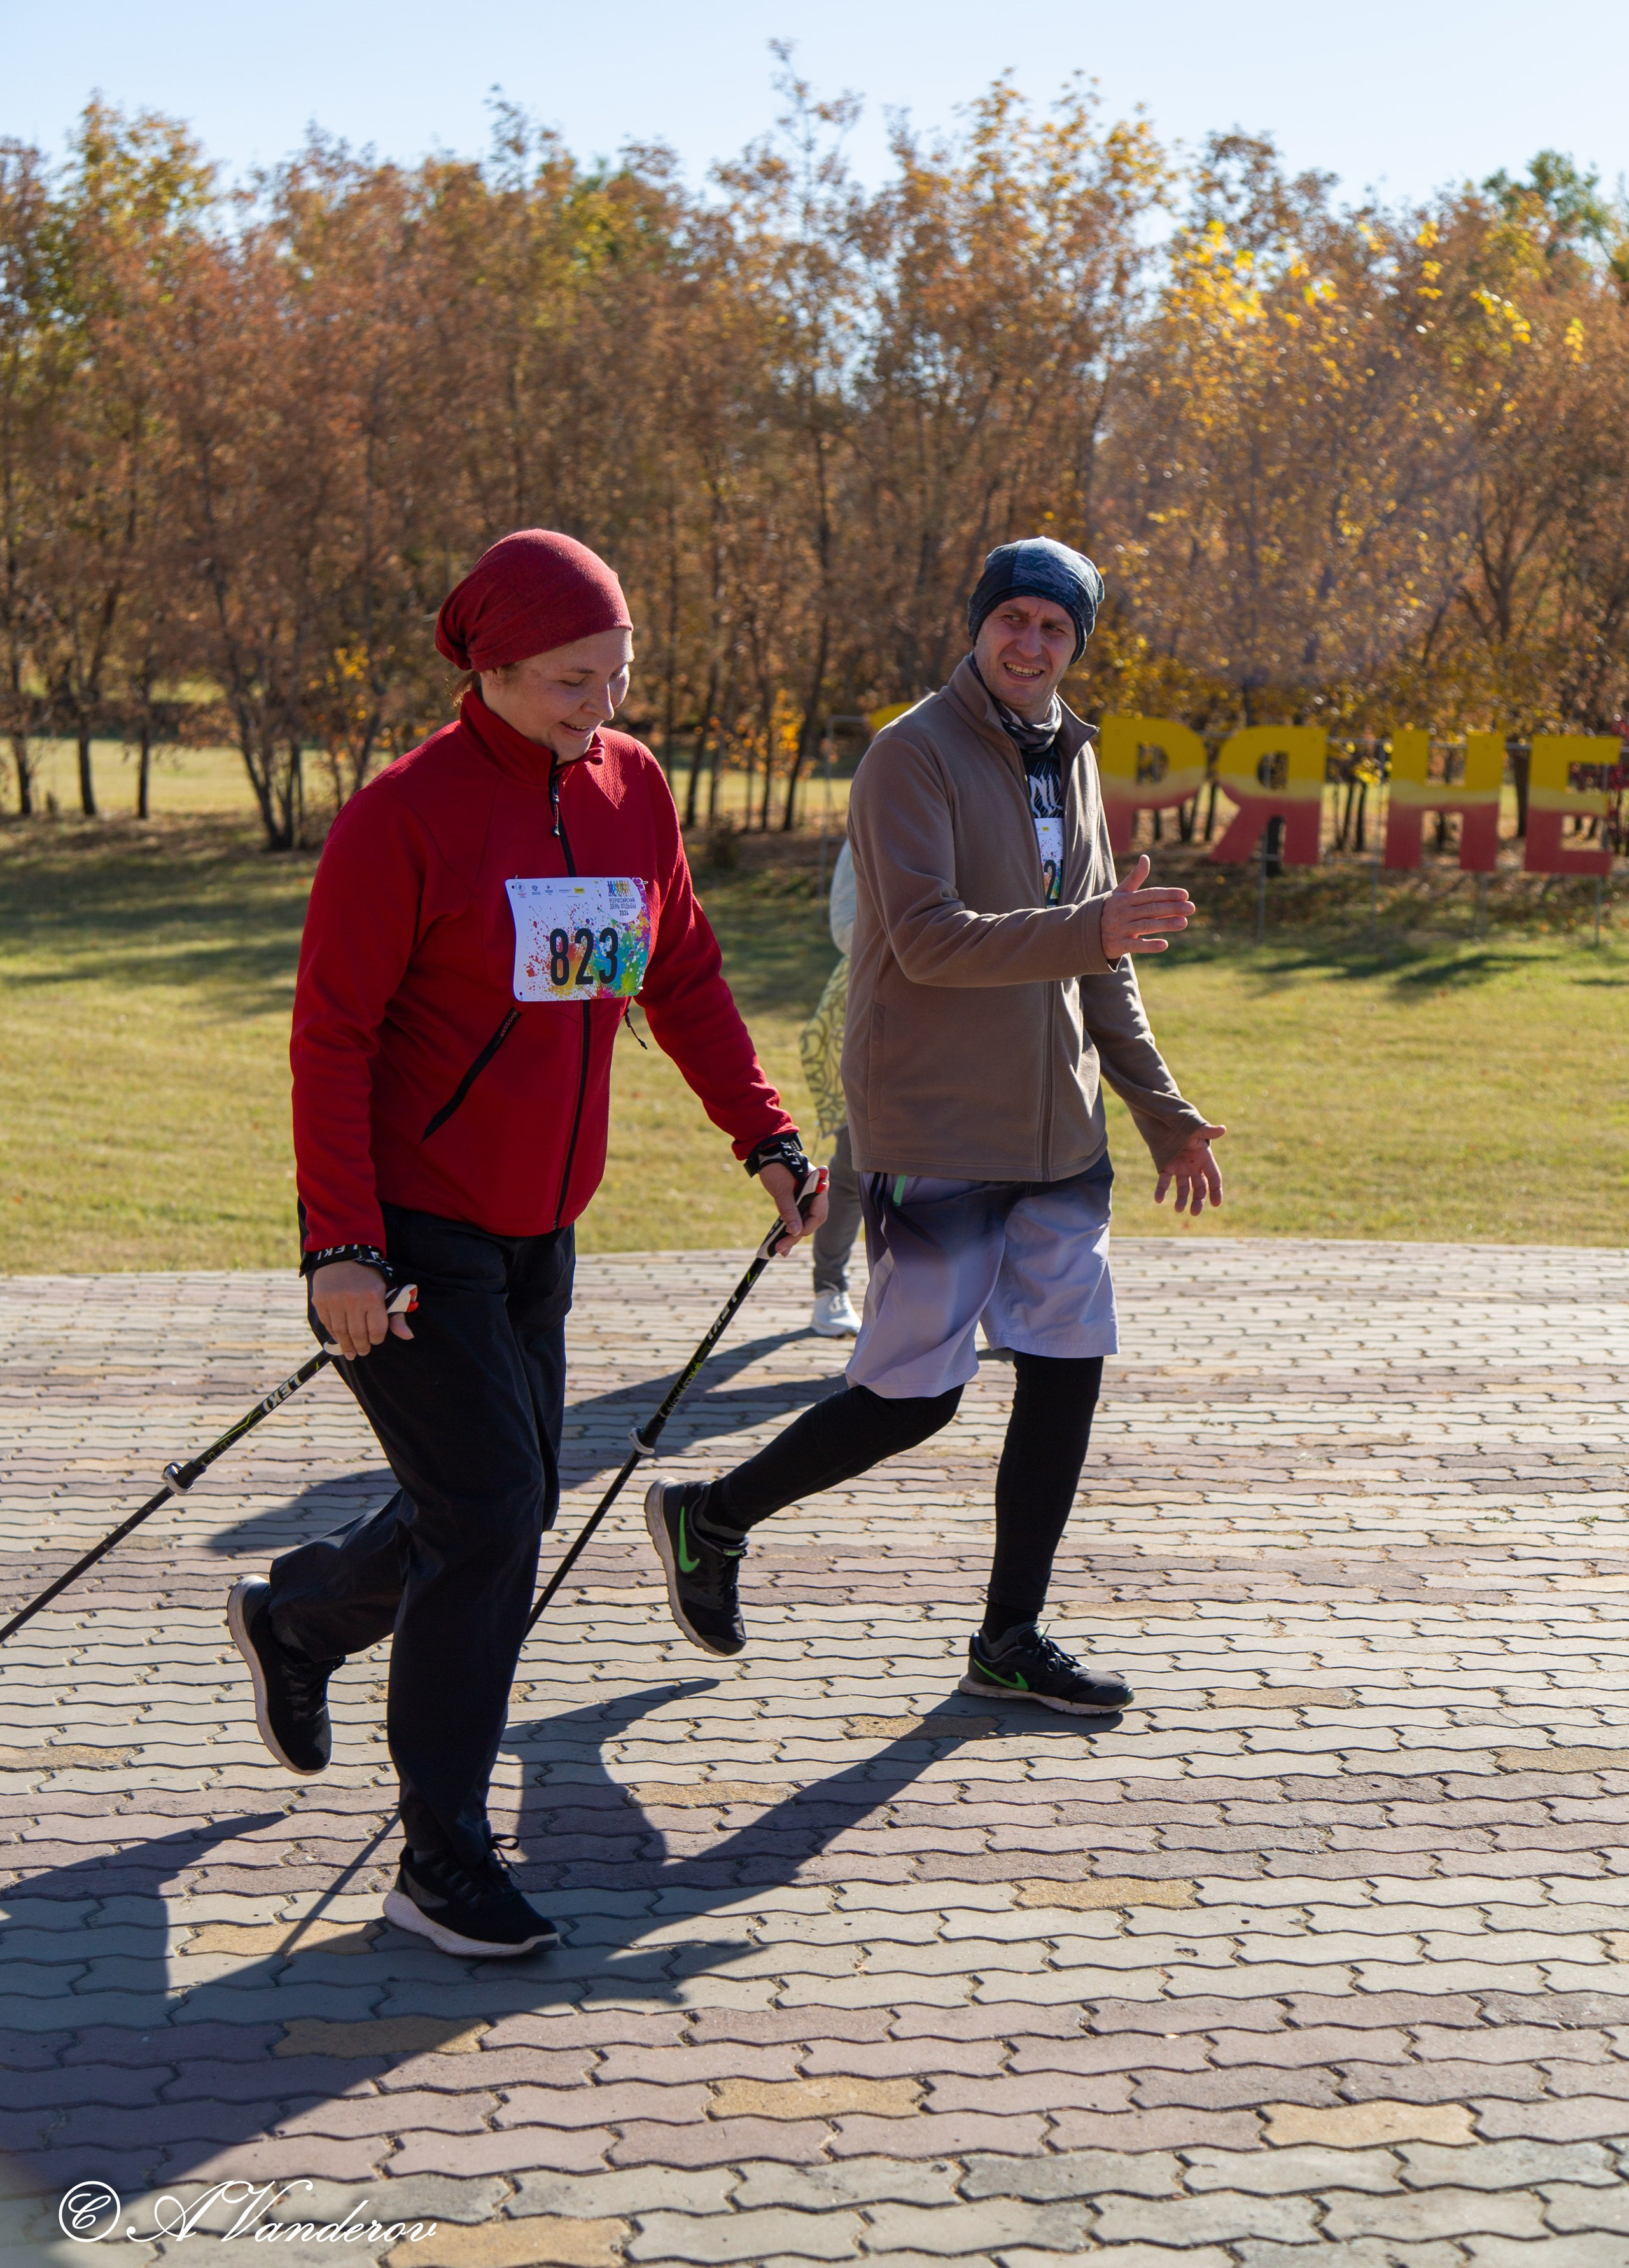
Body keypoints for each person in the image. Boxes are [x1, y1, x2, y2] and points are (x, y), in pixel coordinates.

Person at [225, 529, 825, 1959]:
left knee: (488, 1506)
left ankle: (303, 1618)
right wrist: (342, 1250)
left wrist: (767, 1135)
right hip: (406, 1231)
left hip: (542, 1226)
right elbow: (332, 1042)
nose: (596, 705)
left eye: (615, 674)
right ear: (487, 668)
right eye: (568, 679)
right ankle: (440, 1858)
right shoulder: (405, 818)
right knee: (493, 1516)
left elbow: (676, 968)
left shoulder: (630, 793)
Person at [645, 536, 1223, 1715]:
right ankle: (711, 1517)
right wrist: (1091, 930)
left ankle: (1009, 1637)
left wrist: (1163, 1110)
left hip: (1059, 1134)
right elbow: (927, 939)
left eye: (1056, 629)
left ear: (1078, 646)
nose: (1031, 643)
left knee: (1068, 1372)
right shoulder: (911, 756)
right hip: (938, 1124)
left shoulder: (1076, 757)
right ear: (979, 625)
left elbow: (1101, 964)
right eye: (1013, 619)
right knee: (916, 1396)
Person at [799, 840, 863, 1337]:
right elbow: (845, 923)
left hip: (979, 1006)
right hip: (877, 999)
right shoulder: (883, 806)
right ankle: (831, 1287)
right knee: (855, 1165)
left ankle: (993, 1299)